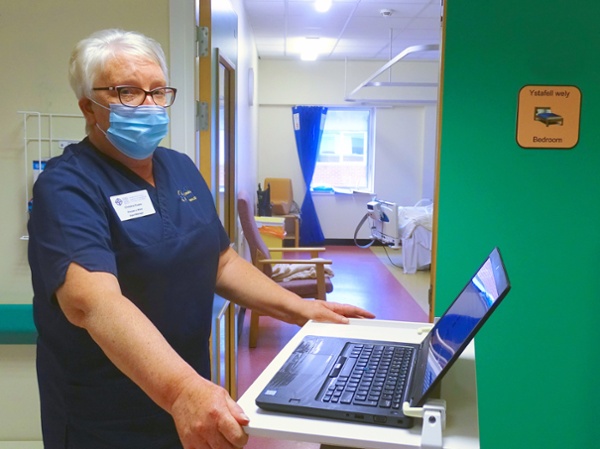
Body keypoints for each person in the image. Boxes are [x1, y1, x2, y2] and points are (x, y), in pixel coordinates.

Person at [27, 28, 375, 449]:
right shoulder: (67, 186)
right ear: (89, 106)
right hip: (106, 415)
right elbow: (93, 302)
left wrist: (301, 309)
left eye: (158, 91)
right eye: (128, 92)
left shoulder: (180, 168)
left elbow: (221, 260)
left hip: (186, 394)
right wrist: (181, 392)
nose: (149, 104)